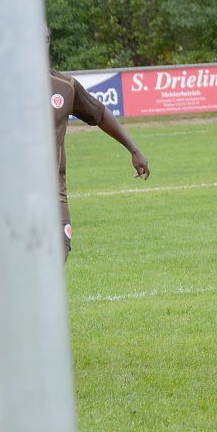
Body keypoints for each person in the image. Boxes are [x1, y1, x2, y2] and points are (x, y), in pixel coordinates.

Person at [46, 31, 150, 261]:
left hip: (53, 191)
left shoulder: (65, 87)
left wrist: (133, 149)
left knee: (60, 250)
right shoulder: (4, 87)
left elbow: (100, 114)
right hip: (15, 192)